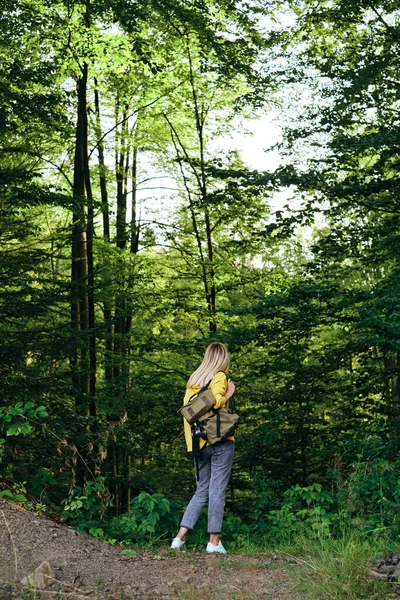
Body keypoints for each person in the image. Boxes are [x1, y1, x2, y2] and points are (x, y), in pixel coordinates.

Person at [170, 342, 236, 554]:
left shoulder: (194, 381)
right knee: (216, 491)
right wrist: (227, 395)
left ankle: (179, 539)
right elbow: (215, 401)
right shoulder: (219, 377)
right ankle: (214, 542)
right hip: (220, 441)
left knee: (201, 491)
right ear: (222, 358)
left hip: (198, 444)